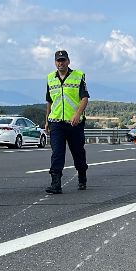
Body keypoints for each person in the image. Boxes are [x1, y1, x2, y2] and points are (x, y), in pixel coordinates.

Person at [44, 50, 89, 194]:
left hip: (74, 123)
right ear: (55, 62)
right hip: (56, 122)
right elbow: (50, 101)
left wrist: (77, 115)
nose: (60, 63)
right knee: (57, 153)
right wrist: (47, 121)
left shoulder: (78, 76)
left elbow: (84, 98)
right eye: (58, 60)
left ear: (68, 61)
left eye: (63, 60)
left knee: (78, 152)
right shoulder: (50, 78)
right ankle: (55, 183)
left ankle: (82, 175)